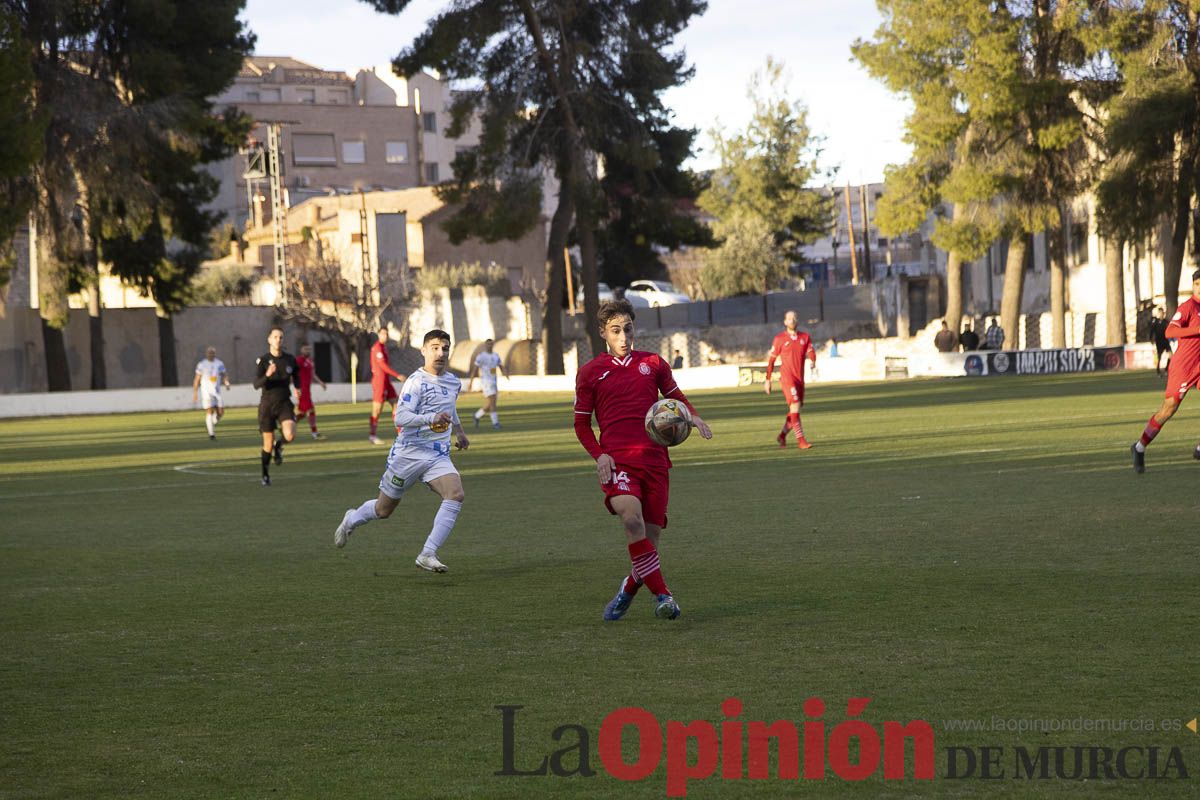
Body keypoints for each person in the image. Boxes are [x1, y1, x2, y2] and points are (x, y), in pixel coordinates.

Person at [574, 299, 713, 622]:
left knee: (650, 541)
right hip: (618, 462)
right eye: (615, 331)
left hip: (655, 461)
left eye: (628, 329)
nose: (623, 337)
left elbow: (675, 397)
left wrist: (693, 417)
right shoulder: (590, 372)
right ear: (603, 333)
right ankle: (664, 596)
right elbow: (581, 424)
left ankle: (629, 587)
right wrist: (600, 455)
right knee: (631, 520)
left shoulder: (654, 363)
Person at [333, 329, 469, 573]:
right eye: (435, 347)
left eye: (445, 348)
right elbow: (402, 417)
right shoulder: (416, 382)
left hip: (437, 454)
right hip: (409, 453)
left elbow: (449, 407)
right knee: (383, 510)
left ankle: (427, 553)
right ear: (424, 351)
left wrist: (459, 431)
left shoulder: (453, 382)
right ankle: (351, 519)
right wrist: (431, 418)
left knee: (456, 494)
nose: (441, 353)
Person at [1131, 271, 1200, 473]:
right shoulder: (1188, 307)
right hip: (1184, 367)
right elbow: (1170, 331)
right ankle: (1139, 447)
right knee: (1168, 409)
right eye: (1196, 283)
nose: (1199, 287)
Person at [253, 327, 300, 486]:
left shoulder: (290, 359)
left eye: (280, 337)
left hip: (284, 403)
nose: (278, 340)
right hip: (267, 405)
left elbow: (296, 376)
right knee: (267, 444)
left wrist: (298, 389)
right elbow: (256, 384)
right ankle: (265, 475)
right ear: (269, 339)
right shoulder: (263, 360)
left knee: (290, 435)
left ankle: (279, 446)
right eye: (275, 337)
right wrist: (267, 375)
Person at [764, 309, 817, 449]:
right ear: (785, 322)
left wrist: (812, 361)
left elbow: (811, 351)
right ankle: (801, 441)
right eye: (789, 318)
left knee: (795, 410)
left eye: (794, 318)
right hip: (788, 378)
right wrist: (768, 379)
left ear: (797, 320)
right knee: (794, 406)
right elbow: (771, 361)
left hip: (800, 379)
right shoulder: (779, 339)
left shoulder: (805, 337)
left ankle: (782, 436)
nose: (792, 321)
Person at [369, 326, 406, 444]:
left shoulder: (384, 347)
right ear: (379, 335)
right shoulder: (377, 348)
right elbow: (383, 366)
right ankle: (372, 436)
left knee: (396, 405)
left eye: (386, 334)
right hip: (379, 382)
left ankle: (401, 435)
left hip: (386, 381)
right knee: (377, 410)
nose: (385, 336)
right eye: (383, 334)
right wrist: (397, 375)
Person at [192, 346, 231, 440]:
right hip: (206, 391)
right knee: (209, 411)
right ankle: (211, 434)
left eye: (212, 352)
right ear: (206, 354)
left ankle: (211, 423)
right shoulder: (202, 364)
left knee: (220, 412)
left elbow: (224, 374)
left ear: (215, 353)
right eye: (209, 352)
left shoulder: (219, 363)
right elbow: (197, 379)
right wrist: (195, 393)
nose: (211, 354)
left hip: (216, 391)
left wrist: (226, 383)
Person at [467, 338, 506, 429]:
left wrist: (506, 373)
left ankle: (476, 416)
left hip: (494, 381)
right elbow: (475, 369)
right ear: (485, 345)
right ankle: (495, 423)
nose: (490, 346)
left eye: (491, 344)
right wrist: (471, 381)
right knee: (493, 403)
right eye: (488, 344)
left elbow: (500, 366)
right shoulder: (481, 356)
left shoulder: (496, 355)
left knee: (490, 403)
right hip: (486, 382)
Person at [295, 343, 327, 439]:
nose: (307, 351)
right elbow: (294, 375)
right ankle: (315, 433)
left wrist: (321, 383)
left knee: (303, 413)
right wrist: (296, 389)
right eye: (305, 349)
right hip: (302, 390)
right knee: (311, 410)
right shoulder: (299, 361)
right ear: (301, 350)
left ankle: (288, 424)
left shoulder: (310, 361)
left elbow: (312, 374)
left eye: (309, 349)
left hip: (307, 390)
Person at [1150, 307, 1171, 376]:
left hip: (1166, 341)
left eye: (1162, 313)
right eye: (1160, 313)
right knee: (1159, 357)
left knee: (1170, 355)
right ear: (1158, 313)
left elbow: (1170, 329)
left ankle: (1166, 369)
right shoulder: (1155, 322)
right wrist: (1151, 339)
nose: (1161, 314)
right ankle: (1158, 370)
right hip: (1159, 341)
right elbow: (1151, 331)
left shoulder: (1166, 321)